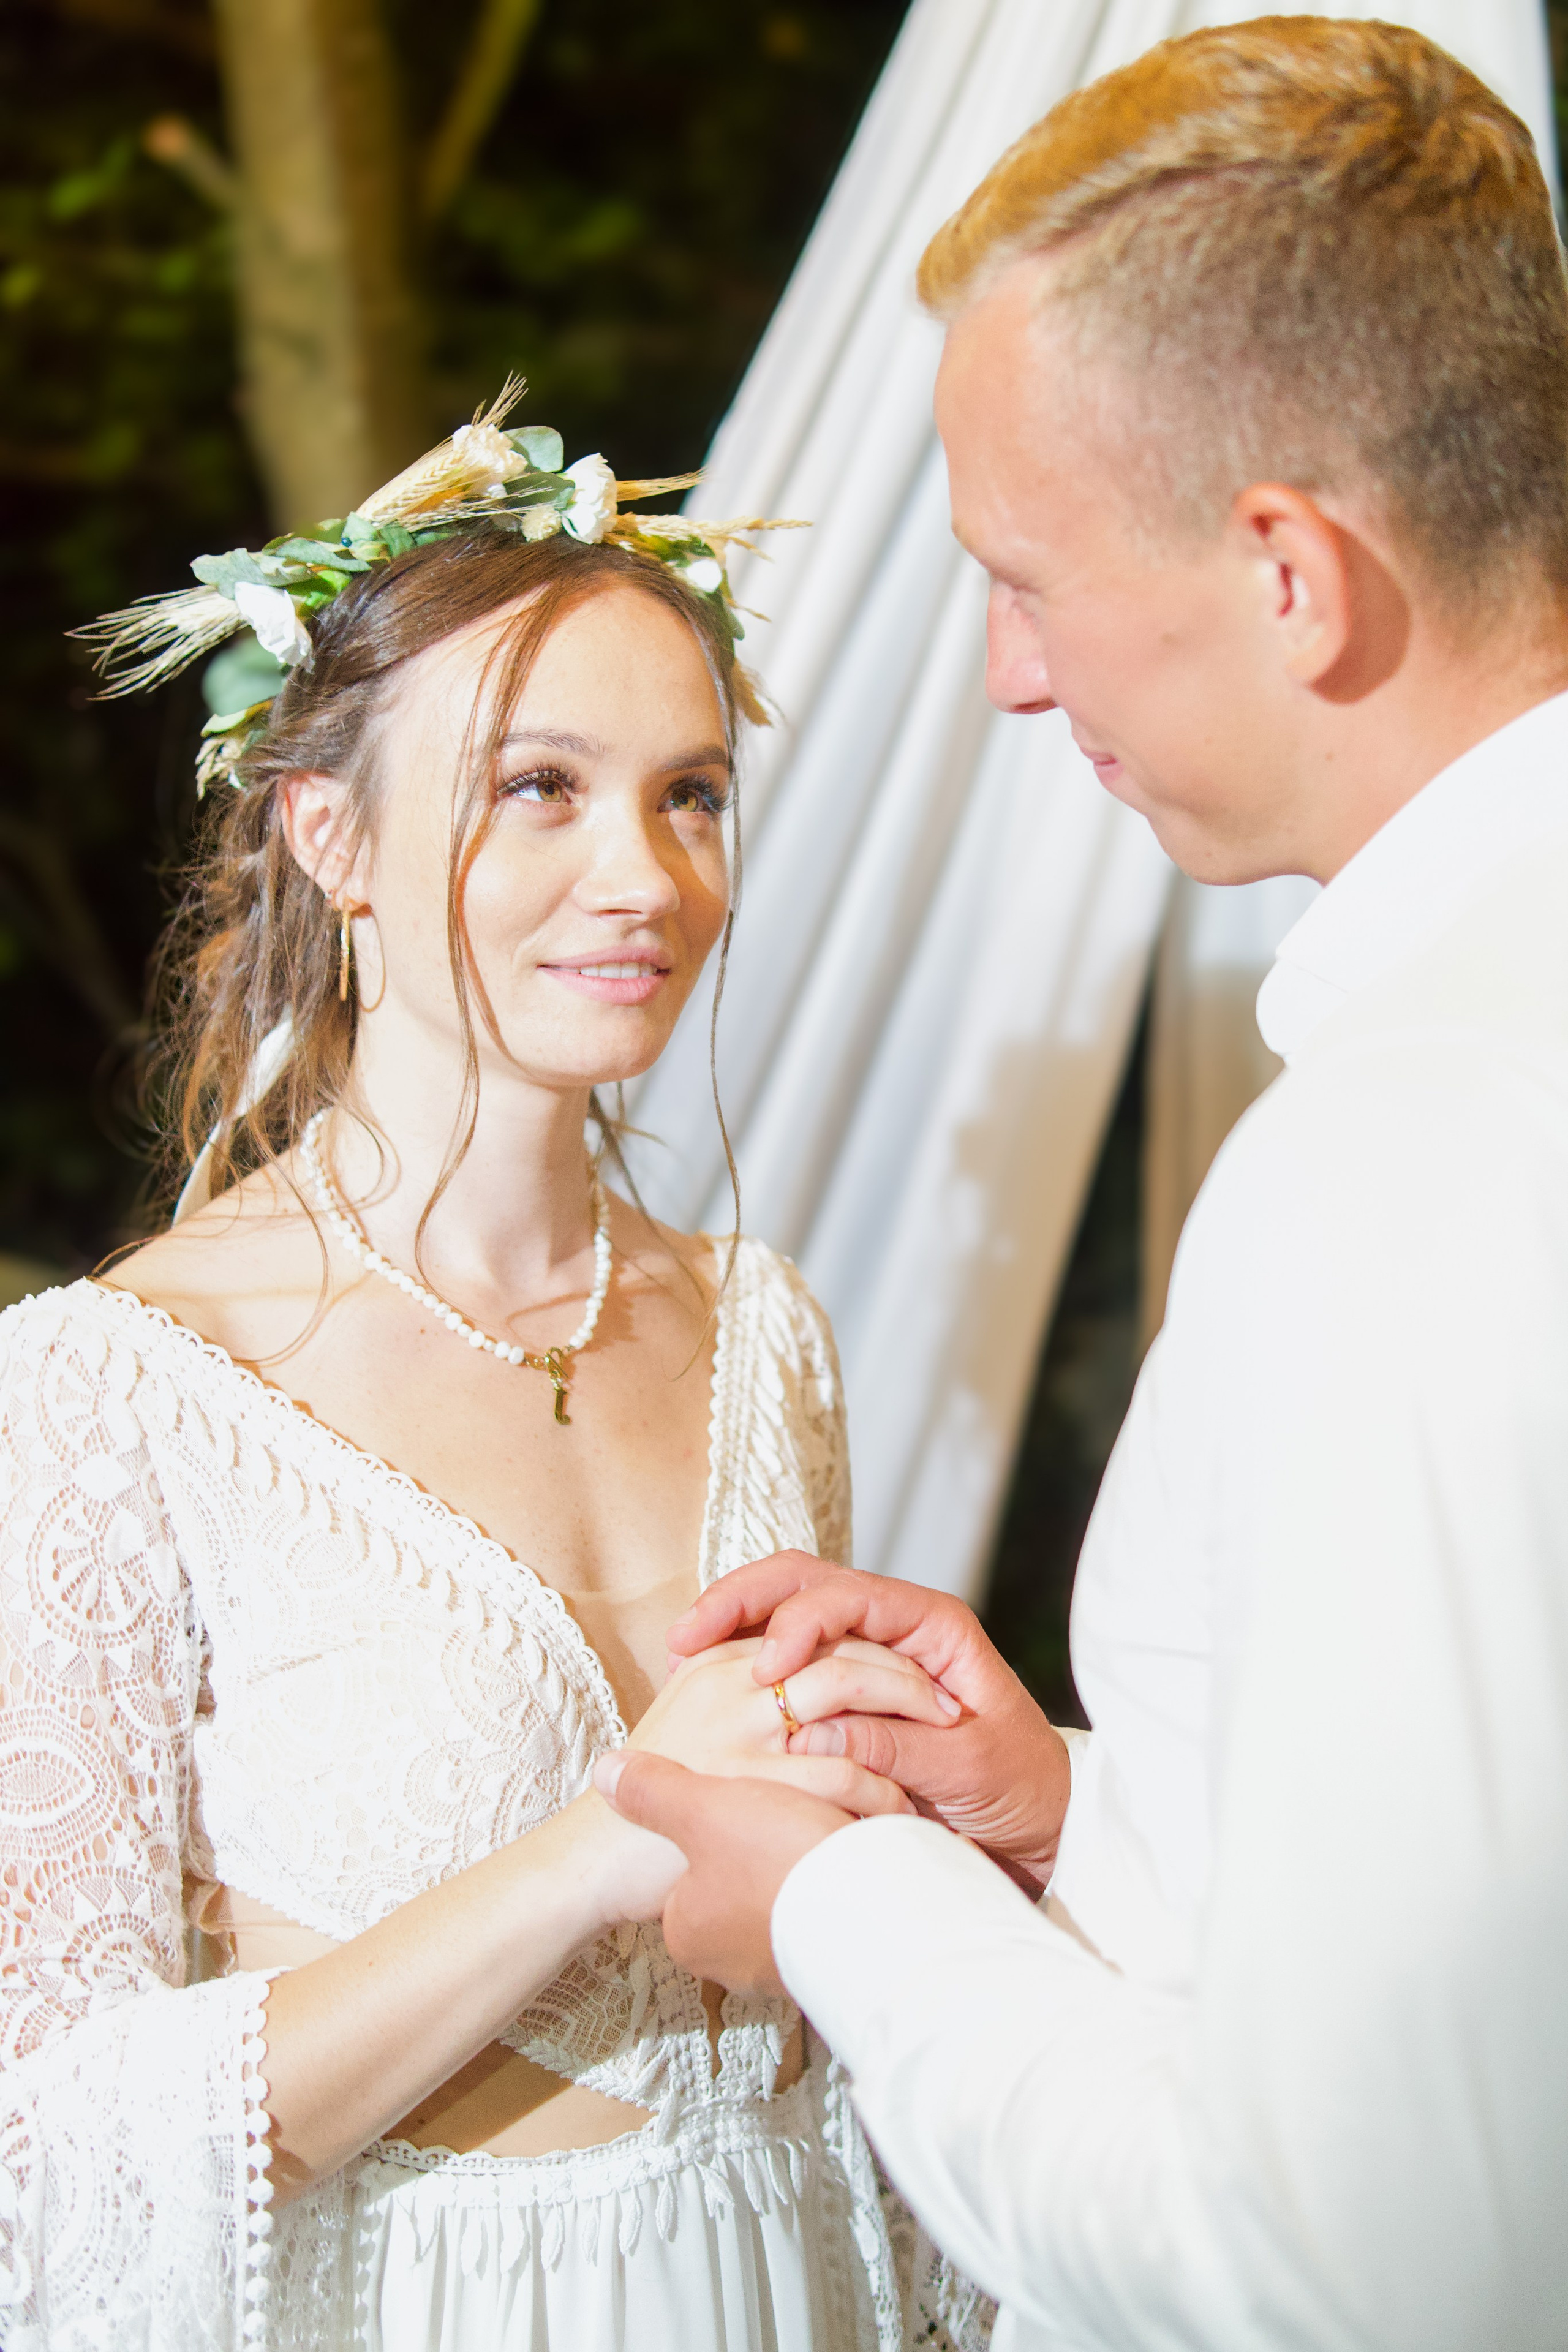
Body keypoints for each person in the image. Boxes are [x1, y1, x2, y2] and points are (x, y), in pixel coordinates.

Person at [596, 20, 1568, 2350]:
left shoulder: (1410, 1151)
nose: (1017, 684)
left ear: (1290, 572)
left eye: (1023, 579)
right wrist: (1083, 1823)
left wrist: (840, 1907)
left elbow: (1365, 2272)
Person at [0, 410, 988, 2350]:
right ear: (330, 833)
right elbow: (53, 2163)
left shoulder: (764, 1329)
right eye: (538, 787)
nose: (643, 876)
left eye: (691, 794)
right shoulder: (115, 1395)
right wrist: (606, 1840)